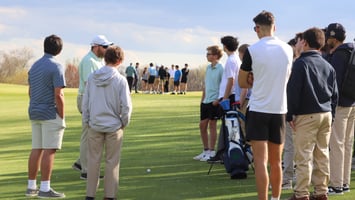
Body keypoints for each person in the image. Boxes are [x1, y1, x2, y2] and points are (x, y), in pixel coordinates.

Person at [238, 11, 293, 200]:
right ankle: (276, 198)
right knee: (276, 162)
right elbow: (287, 77)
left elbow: (242, 82)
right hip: (279, 110)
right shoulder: (288, 49)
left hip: (259, 109)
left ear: (258, 28)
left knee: (261, 161)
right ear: (275, 27)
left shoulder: (253, 50)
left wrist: (254, 78)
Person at [287, 27, 338, 200]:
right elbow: (335, 94)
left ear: (305, 43)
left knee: (303, 156)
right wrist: (332, 115)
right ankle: (321, 191)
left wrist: (289, 114)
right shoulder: (328, 65)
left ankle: (301, 193)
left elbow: (293, 91)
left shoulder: (301, 63)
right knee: (322, 154)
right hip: (326, 113)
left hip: (306, 115)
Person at [82, 45, 132, 200]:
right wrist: (124, 122)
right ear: (120, 61)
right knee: (112, 162)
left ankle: (90, 194)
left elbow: (86, 101)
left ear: (105, 58)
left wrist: (87, 121)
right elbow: (126, 106)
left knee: (93, 160)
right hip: (113, 126)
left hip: (95, 124)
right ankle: (109, 195)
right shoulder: (121, 80)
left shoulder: (92, 77)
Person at [26, 34, 66, 198]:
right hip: (50, 112)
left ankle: (31, 187)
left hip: (34, 111)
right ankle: (44, 189)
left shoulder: (34, 66)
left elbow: (30, 91)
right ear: (59, 49)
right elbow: (59, 95)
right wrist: (61, 116)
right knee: (50, 150)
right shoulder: (56, 66)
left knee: (37, 148)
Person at [73, 35, 113, 180]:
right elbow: (90, 83)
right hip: (87, 99)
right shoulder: (90, 61)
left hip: (91, 99)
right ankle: (86, 170)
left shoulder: (98, 61)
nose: (107, 49)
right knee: (88, 134)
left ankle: (80, 162)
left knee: (91, 132)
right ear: (96, 46)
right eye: (104, 47)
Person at [326, 23, 355, 195]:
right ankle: (344, 183)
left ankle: (336, 185)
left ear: (333, 38)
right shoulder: (352, 50)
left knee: (336, 144)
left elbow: (333, 84)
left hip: (341, 104)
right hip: (353, 103)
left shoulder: (338, 55)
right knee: (347, 144)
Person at [193, 45, 224, 161]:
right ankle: (205, 150)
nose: (207, 56)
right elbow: (206, 85)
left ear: (215, 56)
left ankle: (212, 151)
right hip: (206, 101)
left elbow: (223, 85)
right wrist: (202, 99)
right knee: (202, 125)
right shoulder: (208, 68)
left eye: (209, 54)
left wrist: (219, 99)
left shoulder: (221, 68)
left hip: (214, 101)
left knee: (212, 125)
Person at [282, 32, 304, 191]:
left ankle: (288, 179)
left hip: (294, 110)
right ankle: (294, 177)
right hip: (303, 110)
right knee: (298, 147)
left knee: (292, 146)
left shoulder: (296, 64)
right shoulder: (301, 63)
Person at [219, 36, 240, 109]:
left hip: (230, 96)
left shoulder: (230, 60)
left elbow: (231, 80)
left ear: (225, 46)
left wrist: (225, 98)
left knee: (229, 119)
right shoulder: (236, 58)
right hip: (232, 95)